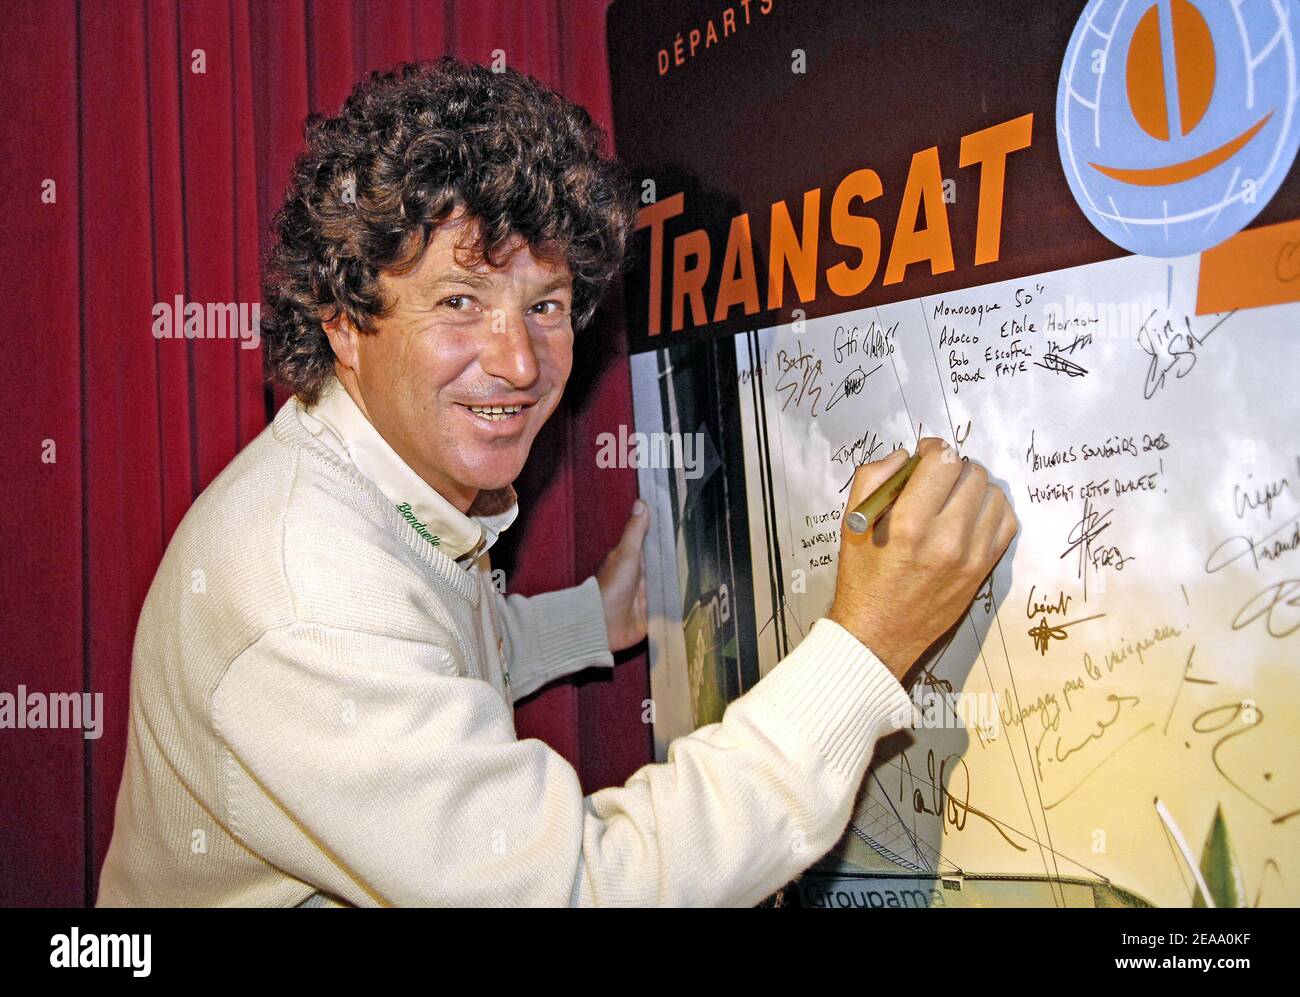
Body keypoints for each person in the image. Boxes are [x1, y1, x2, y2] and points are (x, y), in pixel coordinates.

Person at [96, 56, 1017, 907]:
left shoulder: (365, 480)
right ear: (344, 322)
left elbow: (421, 645)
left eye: (545, 307)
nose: (521, 363)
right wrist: (866, 645)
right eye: (460, 302)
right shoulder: (307, 592)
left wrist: (590, 619)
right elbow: (585, 888)